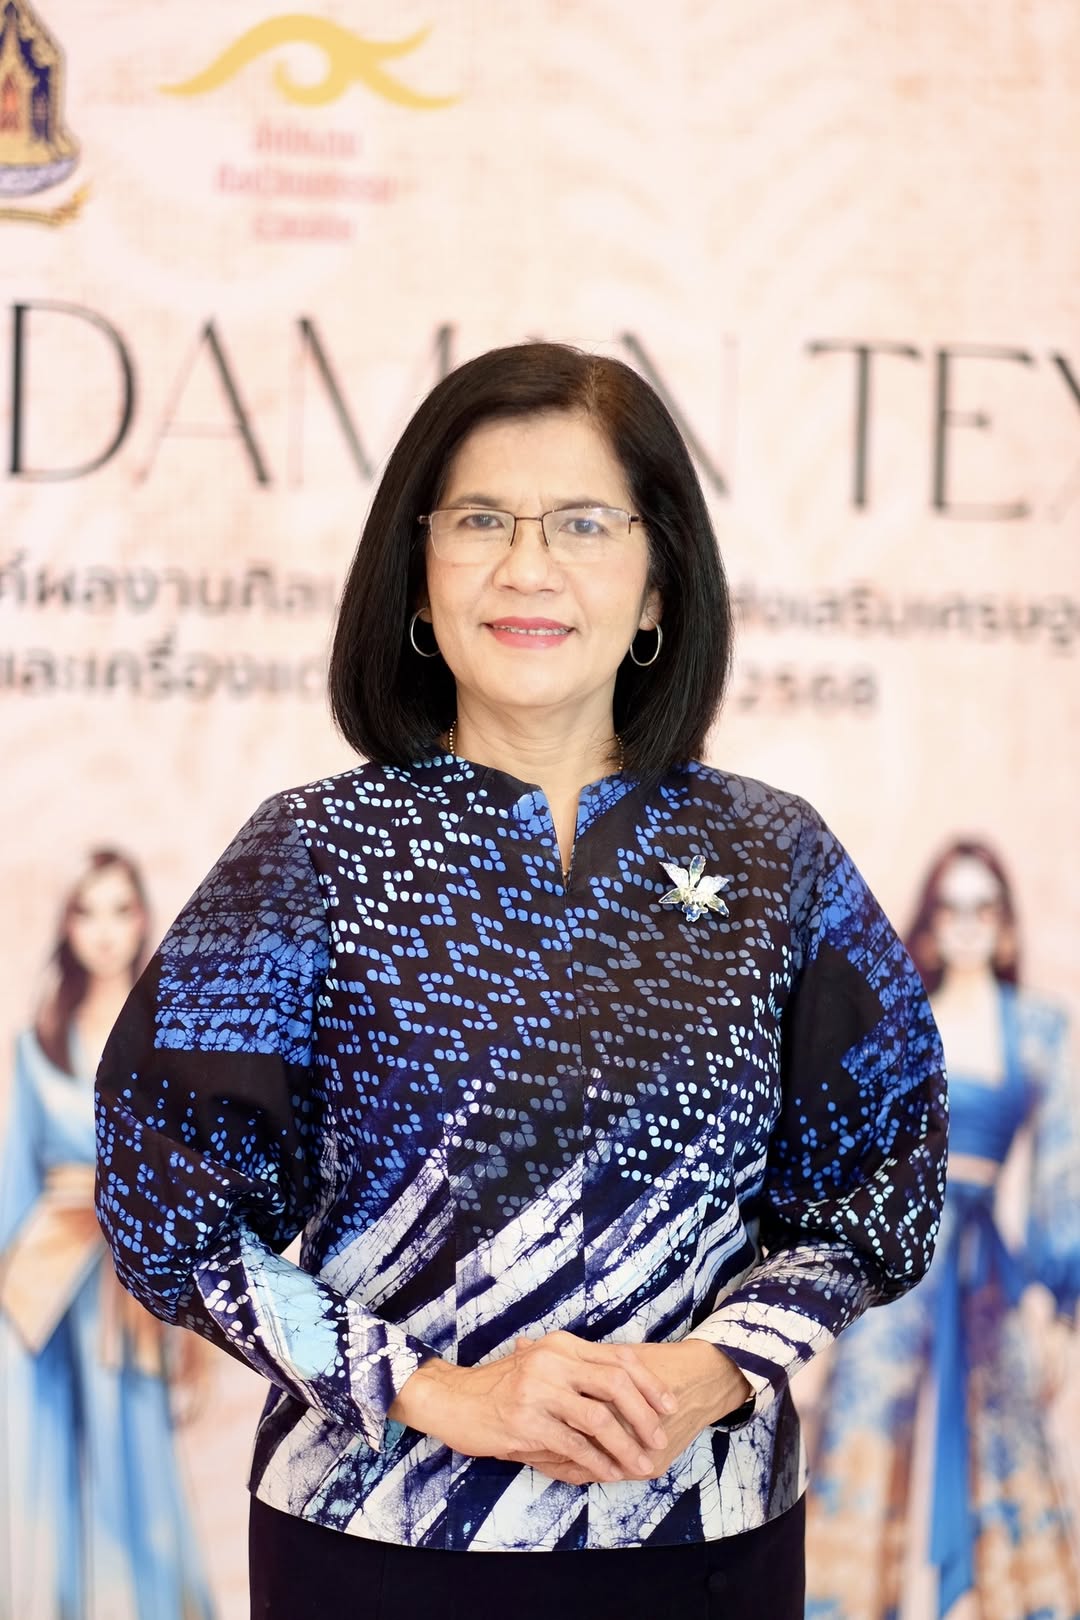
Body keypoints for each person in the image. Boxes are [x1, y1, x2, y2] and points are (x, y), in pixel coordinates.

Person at [94, 342, 947, 1620]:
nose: (527, 566)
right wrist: (440, 1394)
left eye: (585, 523)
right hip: (376, 1544)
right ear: (417, 578)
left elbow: (881, 1186)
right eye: (481, 520)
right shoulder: (312, 853)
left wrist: (716, 1371)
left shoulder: (777, 857)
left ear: (658, 590)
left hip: (700, 1538)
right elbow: (167, 1206)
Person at [805, 839, 1080, 1620]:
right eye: (949, 907)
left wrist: (1058, 1309)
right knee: (866, 1435)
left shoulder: (1040, 1030)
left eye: (981, 907)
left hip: (990, 1275)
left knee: (1004, 1447)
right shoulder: (895, 1023)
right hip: (898, 1265)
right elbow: (846, 1153)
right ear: (929, 922)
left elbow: (1063, 1171)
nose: (965, 923)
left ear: (1005, 925)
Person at [0, 850, 215, 1620]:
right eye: (86, 910)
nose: (104, 930)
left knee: (136, 1463)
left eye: (120, 909)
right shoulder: (38, 1042)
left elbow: (192, 1177)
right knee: (43, 1462)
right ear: (66, 925)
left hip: (132, 1280)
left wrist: (195, 1304)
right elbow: (15, 1184)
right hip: (41, 1290)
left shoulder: (170, 1037)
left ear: (142, 919)